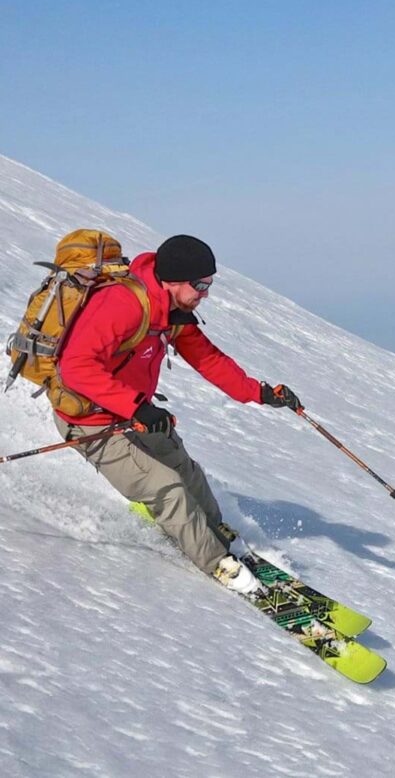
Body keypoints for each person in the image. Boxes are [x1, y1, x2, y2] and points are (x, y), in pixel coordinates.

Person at [53, 233, 302, 594]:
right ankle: (218, 564)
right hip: (90, 420)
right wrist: (136, 406)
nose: (206, 293)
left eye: (209, 284)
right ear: (173, 279)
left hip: (133, 412)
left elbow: (208, 359)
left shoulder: (169, 312)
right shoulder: (122, 305)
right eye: (200, 285)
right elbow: (75, 368)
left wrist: (258, 392)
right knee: (166, 487)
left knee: (185, 470)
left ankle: (215, 530)